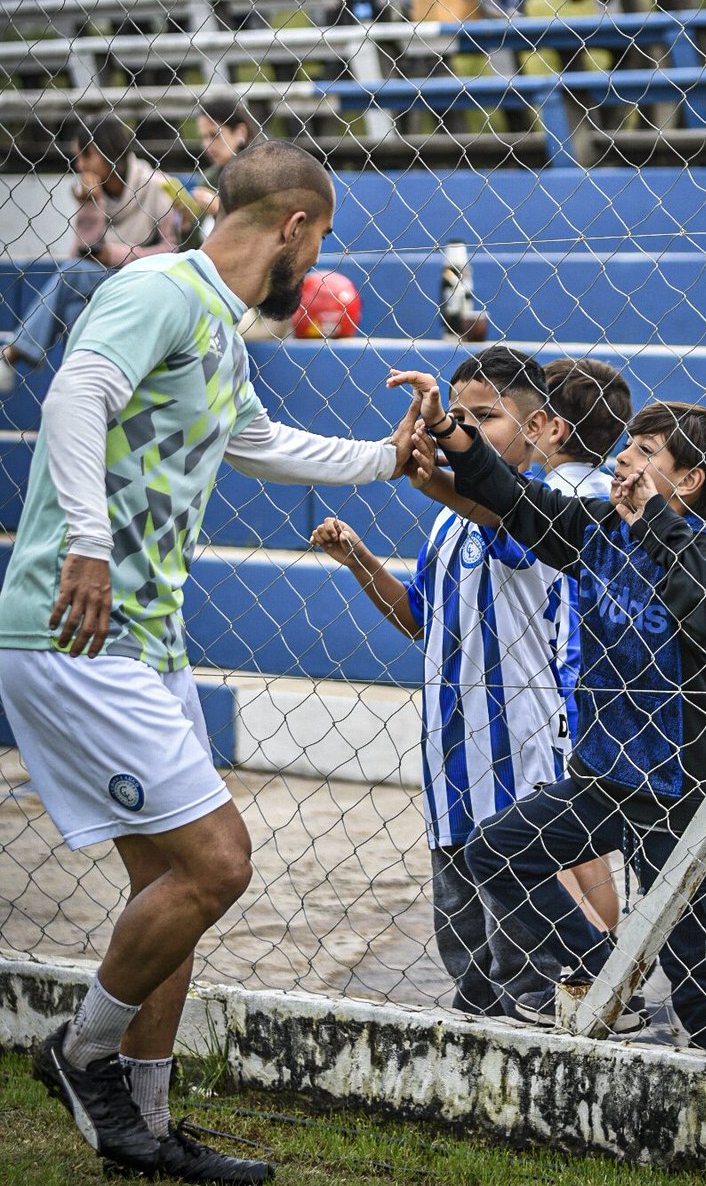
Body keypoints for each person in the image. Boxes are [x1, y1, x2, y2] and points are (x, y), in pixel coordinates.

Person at [0, 139, 422, 1183]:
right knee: (220, 863)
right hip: (76, 627)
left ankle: (138, 1125)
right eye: (319, 239)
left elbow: (262, 443)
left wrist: (385, 459)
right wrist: (89, 546)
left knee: (177, 894)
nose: (315, 257)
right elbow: (72, 400)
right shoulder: (158, 289)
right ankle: (83, 1053)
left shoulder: (221, 332)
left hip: (147, 638)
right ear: (295, 229)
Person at [393, 370, 706, 1055]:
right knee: (496, 852)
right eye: (627, 447)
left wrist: (656, 522)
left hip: (684, 791)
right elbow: (511, 499)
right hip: (604, 776)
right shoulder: (597, 532)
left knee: (702, 964)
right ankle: (601, 971)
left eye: (647, 453)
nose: (624, 459)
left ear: (691, 481)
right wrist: (446, 430)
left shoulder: (702, 543)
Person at [311, 347, 583, 1022]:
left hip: (516, 763)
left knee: (528, 957)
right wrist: (358, 558)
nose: (463, 429)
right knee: (465, 952)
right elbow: (419, 620)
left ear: (541, 426)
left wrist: (445, 478)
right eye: (456, 417)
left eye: (484, 418)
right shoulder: (446, 520)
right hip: (449, 765)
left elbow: (509, 520)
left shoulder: (545, 513)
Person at [532, 357, 633, 934]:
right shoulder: (608, 491)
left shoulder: (553, 495)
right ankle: (610, 957)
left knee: (554, 838)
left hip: (561, 681)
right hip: (607, 680)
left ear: (553, 427)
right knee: (585, 836)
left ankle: (590, 965)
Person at [0, 113, 186, 393]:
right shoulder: (90, 192)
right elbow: (79, 254)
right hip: (102, 282)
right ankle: (82, 391)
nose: (80, 165)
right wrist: (90, 205)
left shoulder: (155, 186)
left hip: (145, 280)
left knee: (68, 275)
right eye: (78, 157)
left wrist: (115, 254)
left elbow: (172, 251)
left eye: (87, 156)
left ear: (112, 153)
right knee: (75, 310)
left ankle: (13, 354)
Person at [192, 96, 256, 233]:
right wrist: (186, 224)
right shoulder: (209, 177)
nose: (207, 145)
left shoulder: (260, 172)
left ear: (240, 132)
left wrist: (219, 210)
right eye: (203, 137)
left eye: (214, 135)